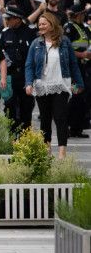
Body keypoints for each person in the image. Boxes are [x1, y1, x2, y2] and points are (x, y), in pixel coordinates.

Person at [25, 12, 85, 159]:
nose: (41, 26)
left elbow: (73, 64)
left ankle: (62, 152)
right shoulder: (35, 43)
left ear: (52, 24)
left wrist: (79, 83)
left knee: (60, 118)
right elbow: (29, 65)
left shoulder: (64, 42)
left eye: (44, 23)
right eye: (39, 24)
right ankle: (46, 150)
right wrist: (28, 83)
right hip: (41, 86)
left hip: (60, 85)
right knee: (45, 119)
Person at [0, 5, 38, 132]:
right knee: (9, 106)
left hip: (26, 75)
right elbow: (0, 54)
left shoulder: (31, 32)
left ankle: (25, 136)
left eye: (9, 18)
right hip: (10, 75)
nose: (7, 21)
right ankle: (12, 135)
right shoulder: (4, 33)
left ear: (17, 19)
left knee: (26, 106)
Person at [64, 4, 91, 138]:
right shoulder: (69, 28)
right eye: (82, 14)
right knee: (75, 96)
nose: (84, 16)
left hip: (84, 68)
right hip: (73, 69)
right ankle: (66, 125)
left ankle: (77, 128)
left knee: (83, 98)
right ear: (77, 14)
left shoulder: (84, 28)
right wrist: (82, 55)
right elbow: (66, 49)